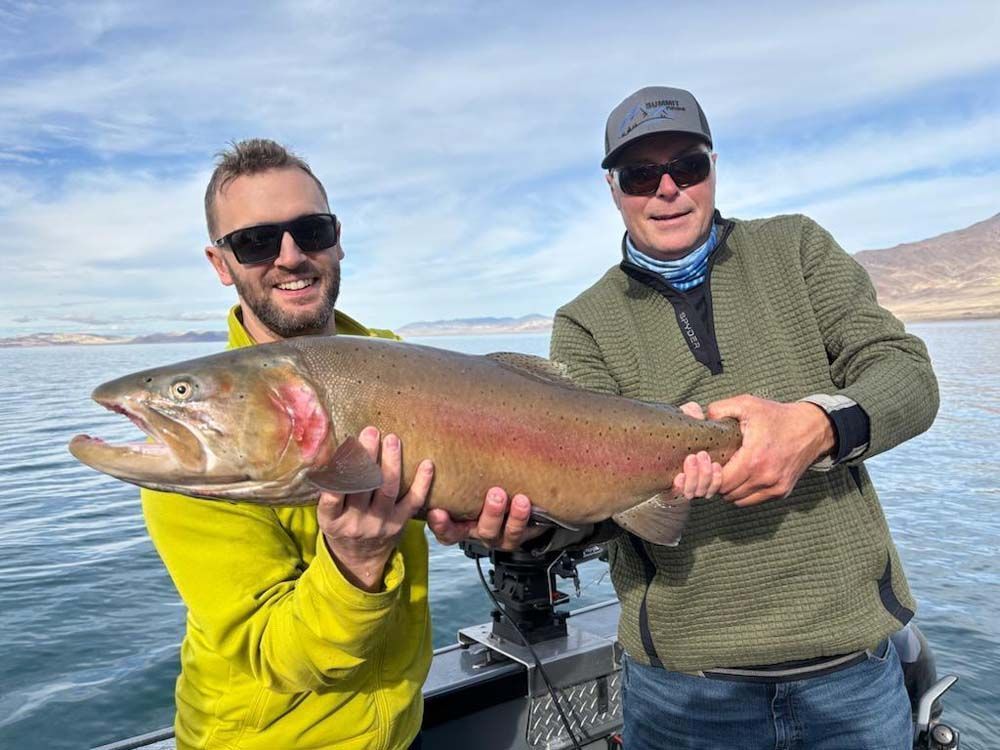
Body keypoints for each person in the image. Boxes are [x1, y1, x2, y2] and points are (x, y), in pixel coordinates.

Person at [550, 87, 939, 750]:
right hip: (683, 695)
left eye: (688, 165)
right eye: (642, 174)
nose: (667, 189)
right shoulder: (582, 323)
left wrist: (815, 427)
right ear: (613, 188)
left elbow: (907, 374)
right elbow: (586, 489)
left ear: (714, 168)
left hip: (854, 679)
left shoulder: (797, 248)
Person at [141, 138, 535, 750]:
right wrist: (353, 567)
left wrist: (489, 519)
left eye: (311, 230)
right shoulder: (196, 453)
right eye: (255, 242)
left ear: (338, 237)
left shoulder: (397, 358)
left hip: (403, 729)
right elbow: (275, 654)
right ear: (221, 264)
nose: (290, 256)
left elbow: (481, 481)